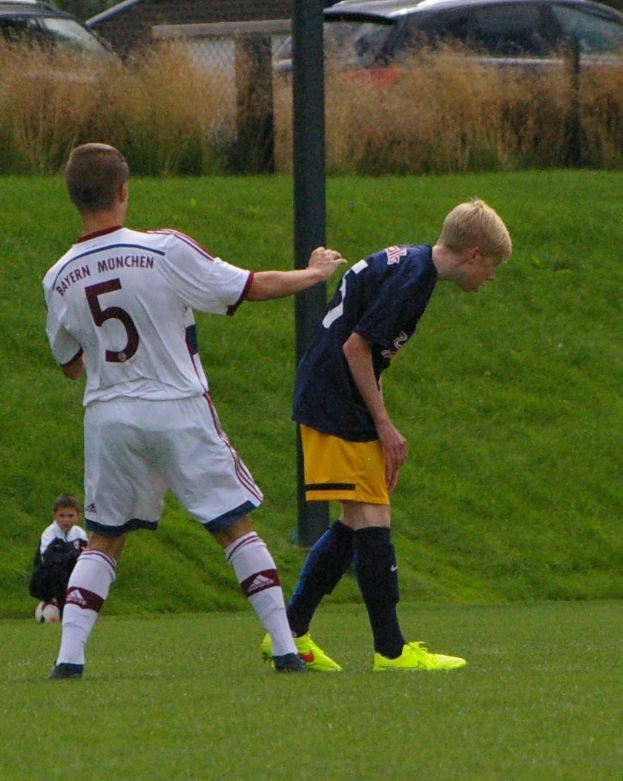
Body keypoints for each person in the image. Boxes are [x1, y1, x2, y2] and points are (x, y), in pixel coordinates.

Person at [42, 142, 345, 679]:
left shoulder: (58, 276)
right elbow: (249, 287)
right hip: (177, 406)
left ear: (72, 198)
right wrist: (313, 274)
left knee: (105, 538)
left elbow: (69, 365)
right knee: (234, 527)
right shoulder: (163, 249)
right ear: (123, 192)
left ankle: (68, 660)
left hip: (109, 416)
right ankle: (284, 649)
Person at [261, 198, 512, 672]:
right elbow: (356, 348)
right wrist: (383, 424)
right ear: (473, 253)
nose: (491, 277)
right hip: (335, 398)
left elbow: (369, 354)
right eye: (492, 266)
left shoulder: (411, 262)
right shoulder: (415, 278)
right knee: (372, 517)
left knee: (358, 518)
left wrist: (382, 422)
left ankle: (289, 631)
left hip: (335, 394)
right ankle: (391, 651)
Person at [29, 494, 88, 617]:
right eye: (61, 515)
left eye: (70, 516)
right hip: (44, 582)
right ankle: (64, 612)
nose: (66, 520)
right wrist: (73, 555)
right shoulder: (49, 534)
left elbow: (85, 558)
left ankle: (88, 609)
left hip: (70, 578)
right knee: (57, 569)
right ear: (54, 515)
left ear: (78, 516)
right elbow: (49, 560)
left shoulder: (80, 534)